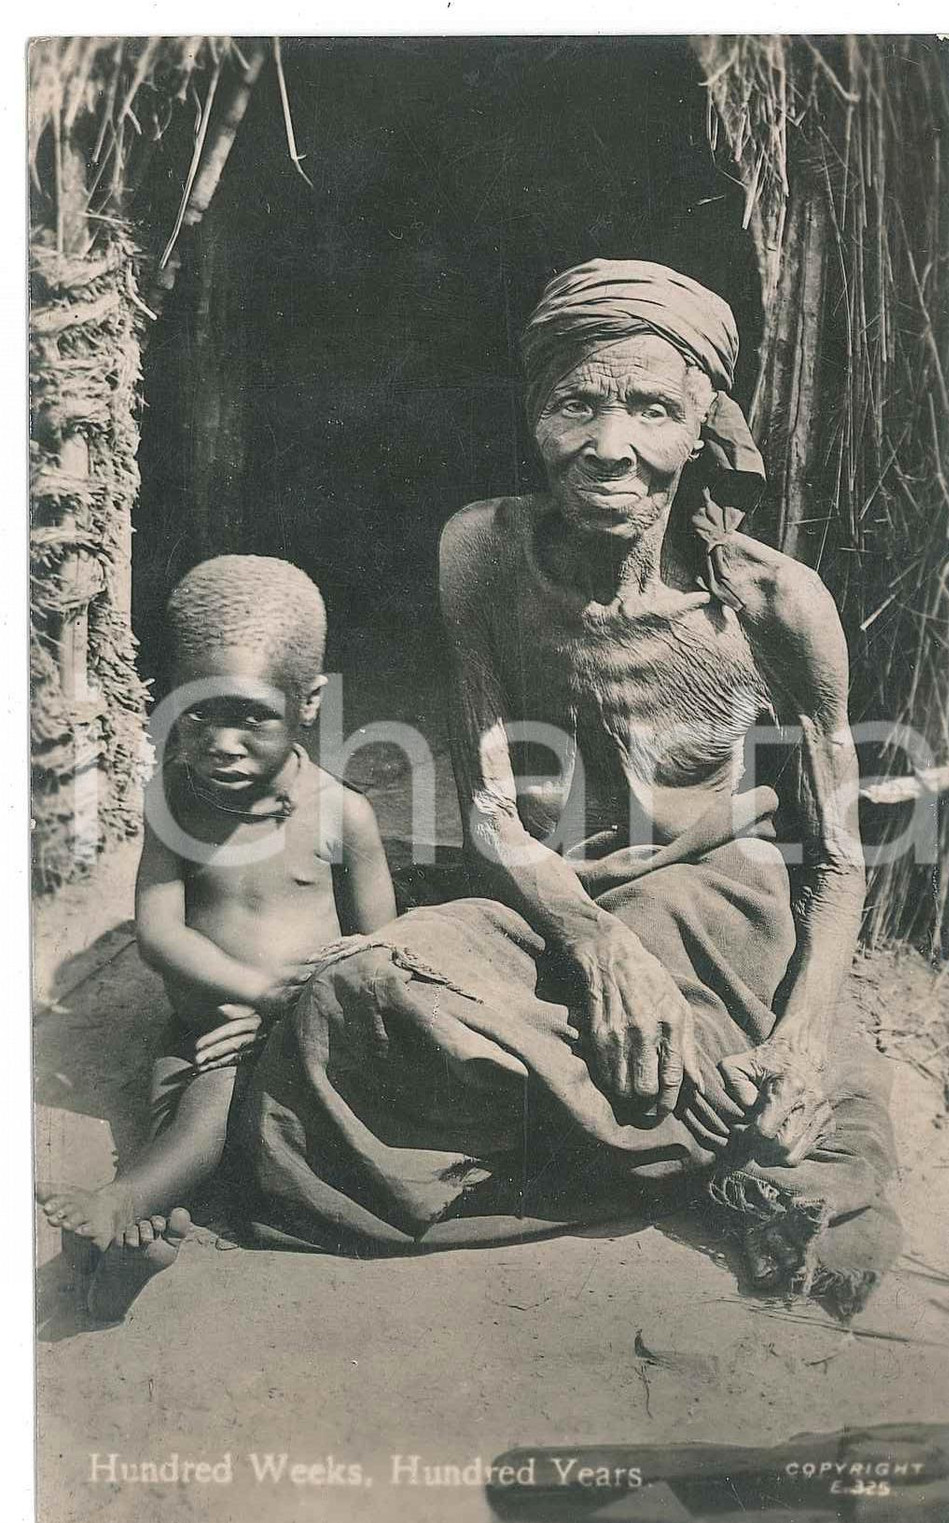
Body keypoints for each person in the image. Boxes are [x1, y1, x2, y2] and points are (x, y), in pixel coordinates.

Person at [239, 260, 899, 1316]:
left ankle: (672, 1112)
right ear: (536, 415)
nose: (610, 444)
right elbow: (494, 810)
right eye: (577, 402)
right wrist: (594, 946)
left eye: (650, 408)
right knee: (345, 1008)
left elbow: (834, 854)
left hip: (709, 916)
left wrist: (807, 1033)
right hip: (547, 902)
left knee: (732, 1076)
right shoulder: (483, 553)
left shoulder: (776, 605)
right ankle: (669, 1139)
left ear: (699, 429)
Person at [39, 555, 397, 1317]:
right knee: (181, 1110)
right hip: (203, 1026)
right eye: (198, 711)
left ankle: (122, 1204)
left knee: (213, 1106)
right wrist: (251, 992)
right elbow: (159, 933)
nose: (221, 741)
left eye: (251, 715)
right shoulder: (176, 800)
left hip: (308, 1036)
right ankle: (122, 1254)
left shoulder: (341, 817)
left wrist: (289, 1003)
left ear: (309, 701)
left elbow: (382, 956)